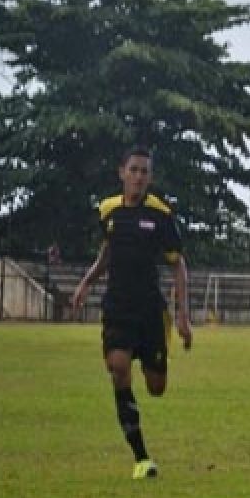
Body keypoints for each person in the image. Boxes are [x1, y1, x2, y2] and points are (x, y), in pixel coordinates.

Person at [71, 146, 193, 479]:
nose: (139, 177)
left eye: (145, 172)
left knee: (156, 387)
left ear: (150, 178)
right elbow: (107, 253)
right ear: (121, 172)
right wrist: (85, 284)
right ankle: (141, 458)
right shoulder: (108, 211)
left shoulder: (160, 215)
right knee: (118, 367)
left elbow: (178, 264)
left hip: (151, 311)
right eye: (134, 170)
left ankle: (151, 359)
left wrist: (183, 316)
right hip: (117, 307)